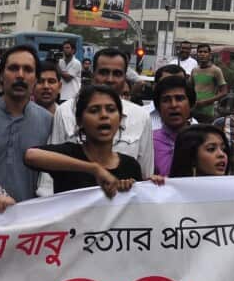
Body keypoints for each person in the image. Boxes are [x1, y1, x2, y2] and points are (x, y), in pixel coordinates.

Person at [43, 48, 154, 195]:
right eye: (103, 72)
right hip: (72, 208)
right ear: (93, 74)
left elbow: (145, 176)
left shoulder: (141, 117)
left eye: (117, 74)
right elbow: (48, 175)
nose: (109, 79)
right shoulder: (65, 111)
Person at [26, 84, 161, 197]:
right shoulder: (69, 154)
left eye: (111, 110)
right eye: (94, 110)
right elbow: (31, 155)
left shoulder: (130, 166)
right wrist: (94, 169)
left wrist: (149, 186)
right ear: (80, 121)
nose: (104, 115)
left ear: (120, 119)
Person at [0, 44, 54, 201]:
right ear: (1, 75)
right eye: (13, 68)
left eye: (28, 70)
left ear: (36, 79)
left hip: (28, 218)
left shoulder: (47, 121)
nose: (20, 75)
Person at [152, 75, 196, 176]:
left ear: (191, 104)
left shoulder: (203, 141)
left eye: (179, 99)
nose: (173, 105)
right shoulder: (148, 142)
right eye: (166, 100)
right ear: (158, 107)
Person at [191, 43, 228, 123]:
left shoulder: (216, 70)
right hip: (193, 110)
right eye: (200, 52)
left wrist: (205, 102)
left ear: (210, 54)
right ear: (197, 54)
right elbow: (190, 88)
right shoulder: (194, 70)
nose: (202, 54)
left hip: (208, 112)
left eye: (205, 52)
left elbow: (224, 92)